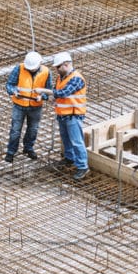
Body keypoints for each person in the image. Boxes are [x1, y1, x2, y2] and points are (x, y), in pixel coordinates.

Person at [37, 51, 89, 180]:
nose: (56, 70)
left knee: (77, 142)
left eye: (58, 67)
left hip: (73, 115)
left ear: (66, 64)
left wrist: (43, 90)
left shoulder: (76, 78)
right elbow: (57, 95)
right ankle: (69, 158)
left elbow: (63, 93)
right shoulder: (61, 77)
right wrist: (46, 98)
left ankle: (83, 166)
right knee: (66, 139)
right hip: (62, 115)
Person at [4, 51, 52, 163]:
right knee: (15, 130)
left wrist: (43, 97)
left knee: (33, 130)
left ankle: (28, 148)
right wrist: (14, 91)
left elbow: (49, 90)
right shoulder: (19, 68)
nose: (31, 70)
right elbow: (9, 84)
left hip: (36, 106)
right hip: (19, 106)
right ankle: (11, 152)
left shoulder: (46, 72)